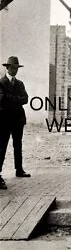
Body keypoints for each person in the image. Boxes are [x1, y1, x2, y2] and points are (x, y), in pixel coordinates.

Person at [0, 56, 31, 190]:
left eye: (16, 68)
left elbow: (26, 99)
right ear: (7, 68)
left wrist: (12, 99)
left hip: (18, 119)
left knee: (17, 145)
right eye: (12, 68)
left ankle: (19, 169)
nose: (15, 70)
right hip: (4, 120)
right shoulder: (1, 83)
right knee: (1, 147)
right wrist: (16, 99)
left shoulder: (20, 84)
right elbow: (2, 99)